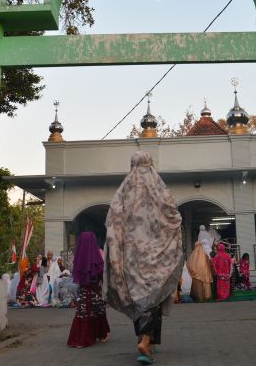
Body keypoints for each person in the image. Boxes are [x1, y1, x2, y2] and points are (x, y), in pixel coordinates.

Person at [104, 151, 184, 365]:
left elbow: (112, 222)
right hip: (159, 257)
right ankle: (146, 340)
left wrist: (116, 251)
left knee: (139, 298)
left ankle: (145, 344)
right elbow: (175, 217)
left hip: (132, 258)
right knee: (153, 299)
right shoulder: (160, 189)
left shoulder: (123, 190)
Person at [67, 232, 110, 348]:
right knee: (98, 310)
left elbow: (75, 275)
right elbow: (102, 274)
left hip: (84, 293)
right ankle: (100, 335)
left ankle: (80, 339)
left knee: (83, 312)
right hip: (96, 292)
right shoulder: (96, 257)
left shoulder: (78, 258)